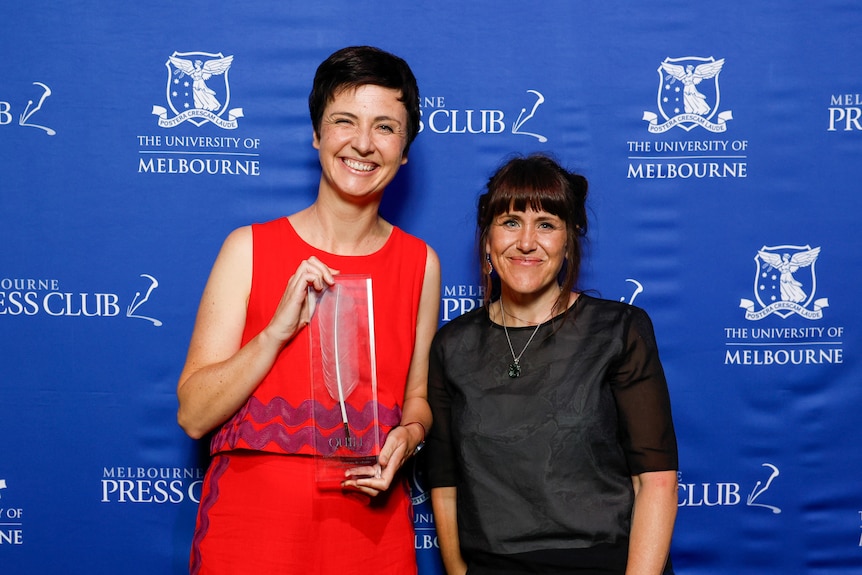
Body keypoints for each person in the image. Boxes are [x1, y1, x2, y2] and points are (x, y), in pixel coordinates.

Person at [177, 46, 440, 574]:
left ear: (405, 148)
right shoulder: (248, 249)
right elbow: (194, 415)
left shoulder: (420, 262)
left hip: (370, 529)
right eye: (345, 121)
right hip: (252, 528)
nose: (363, 143)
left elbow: (417, 399)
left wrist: (408, 438)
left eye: (385, 127)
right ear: (317, 134)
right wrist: (276, 331)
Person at [426, 153, 678, 575]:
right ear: (487, 239)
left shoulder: (618, 331)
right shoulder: (453, 346)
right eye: (510, 222)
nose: (526, 242)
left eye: (546, 224)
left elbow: (656, 481)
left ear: (568, 240)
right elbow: (445, 483)